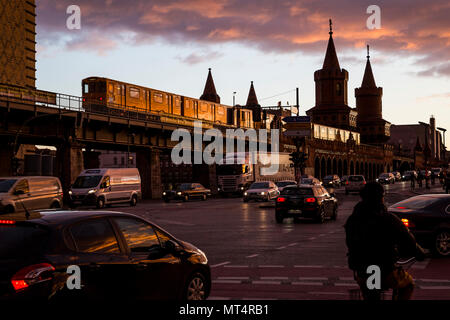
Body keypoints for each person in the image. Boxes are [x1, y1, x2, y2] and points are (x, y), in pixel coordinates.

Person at [345, 182, 426, 300]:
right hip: (384, 270)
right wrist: (419, 252)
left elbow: (349, 242)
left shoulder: (353, 219)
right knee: (408, 284)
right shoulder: (388, 219)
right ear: (379, 198)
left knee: (370, 295)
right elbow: (408, 239)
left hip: (361, 271)